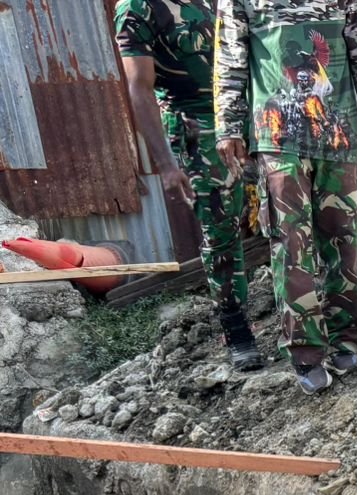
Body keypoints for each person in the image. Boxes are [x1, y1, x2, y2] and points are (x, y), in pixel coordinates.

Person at [214, 0, 357, 396]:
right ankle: (306, 354)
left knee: (344, 239)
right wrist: (228, 128)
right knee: (291, 246)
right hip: (278, 137)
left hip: (338, 133)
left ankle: (346, 342)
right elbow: (230, 59)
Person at [116, 0, 263, 371]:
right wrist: (167, 165)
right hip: (196, 125)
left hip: (250, 112)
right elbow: (139, 88)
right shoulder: (137, 8)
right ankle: (237, 329)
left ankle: (298, 312)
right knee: (221, 227)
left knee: (280, 211)